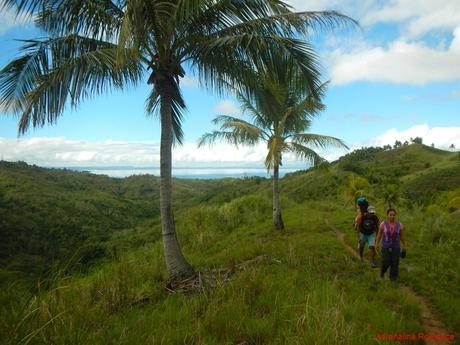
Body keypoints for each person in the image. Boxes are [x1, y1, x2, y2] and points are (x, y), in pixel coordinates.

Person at [376, 208, 407, 281]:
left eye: (393, 215)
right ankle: (383, 272)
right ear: (387, 215)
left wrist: (404, 245)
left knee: (395, 262)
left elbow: (401, 236)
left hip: (396, 246)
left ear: (395, 216)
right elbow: (379, 235)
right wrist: (376, 244)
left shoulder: (399, 225)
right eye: (390, 215)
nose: (392, 216)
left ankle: (393, 278)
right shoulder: (383, 224)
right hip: (385, 246)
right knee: (386, 261)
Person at [355, 204, 379, 268]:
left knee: (372, 247)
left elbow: (377, 227)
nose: (372, 213)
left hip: (371, 234)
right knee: (361, 247)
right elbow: (358, 227)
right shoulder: (362, 217)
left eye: (373, 212)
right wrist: (358, 237)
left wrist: (377, 236)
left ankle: (371, 262)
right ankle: (361, 257)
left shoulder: (375, 218)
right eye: (371, 212)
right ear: (367, 211)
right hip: (363, 234)